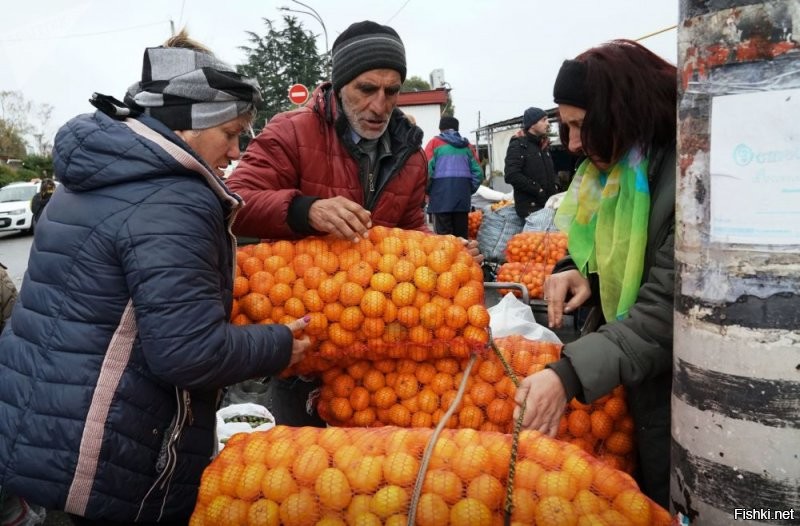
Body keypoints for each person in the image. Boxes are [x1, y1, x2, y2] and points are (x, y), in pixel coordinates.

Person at [0, 30, 310, 525]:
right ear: (187, 125)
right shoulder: (173, 199)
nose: (236, 152)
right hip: (102, 451)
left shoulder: (96, 174)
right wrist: (278, 345)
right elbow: (187, 352)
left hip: (42, 427)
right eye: (230, 133)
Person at [513, 40, 677, 508]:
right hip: (644, 396)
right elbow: (620, 254)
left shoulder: (686, 175)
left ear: (622, 109)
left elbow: (665, 311)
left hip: (689, 407)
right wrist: (583, 273)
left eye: (581, 125)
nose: (573, 144)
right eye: (565, 127)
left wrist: (567, 375)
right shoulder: (624, 174)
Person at [423, 116, 482, 237]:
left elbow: (425, 172)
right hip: (462, 199)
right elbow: (479, 173)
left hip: (440, 199)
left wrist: (429, 191)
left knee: (444, 242)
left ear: (441, 129)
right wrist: (467, 189)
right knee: (462, 240)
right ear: (457, 128)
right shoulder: (467, 146)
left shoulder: (434, 143)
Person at [504, 106, 558, 220]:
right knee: (534, 239)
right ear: (532, 124)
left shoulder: (543, 145)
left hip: (547, 206)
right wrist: (538, 190)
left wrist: (556, 186)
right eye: (544, 120)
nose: (547, 123)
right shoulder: (518, 145)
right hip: (531, 209)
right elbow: (511, 175)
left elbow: (549, 172)